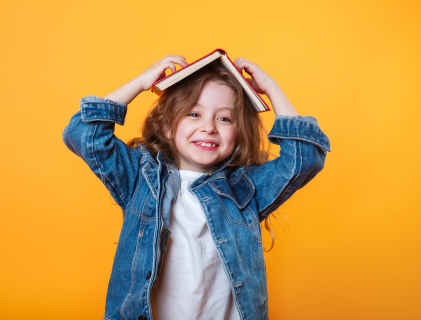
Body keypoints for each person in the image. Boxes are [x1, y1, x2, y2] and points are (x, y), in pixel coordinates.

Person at [62, 54, 331, 320]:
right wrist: (140, 84)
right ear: (167, 126)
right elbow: (84, 134)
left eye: (224, 119)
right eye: (194, 113)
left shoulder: (245, 188)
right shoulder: (140, 178)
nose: (208, 127)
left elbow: (305, 156)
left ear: (237, 134)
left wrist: (273, 89)